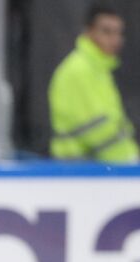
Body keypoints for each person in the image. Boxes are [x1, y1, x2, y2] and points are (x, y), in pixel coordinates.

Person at [49, 1, 138, 164]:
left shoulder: (99, 70)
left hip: (96, 167)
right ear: (88, 31)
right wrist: (130, 159)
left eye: (118, 32)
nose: (115, 40)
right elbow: (97, 130)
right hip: (80, 169)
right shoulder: (78, 70)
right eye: (106, 31)